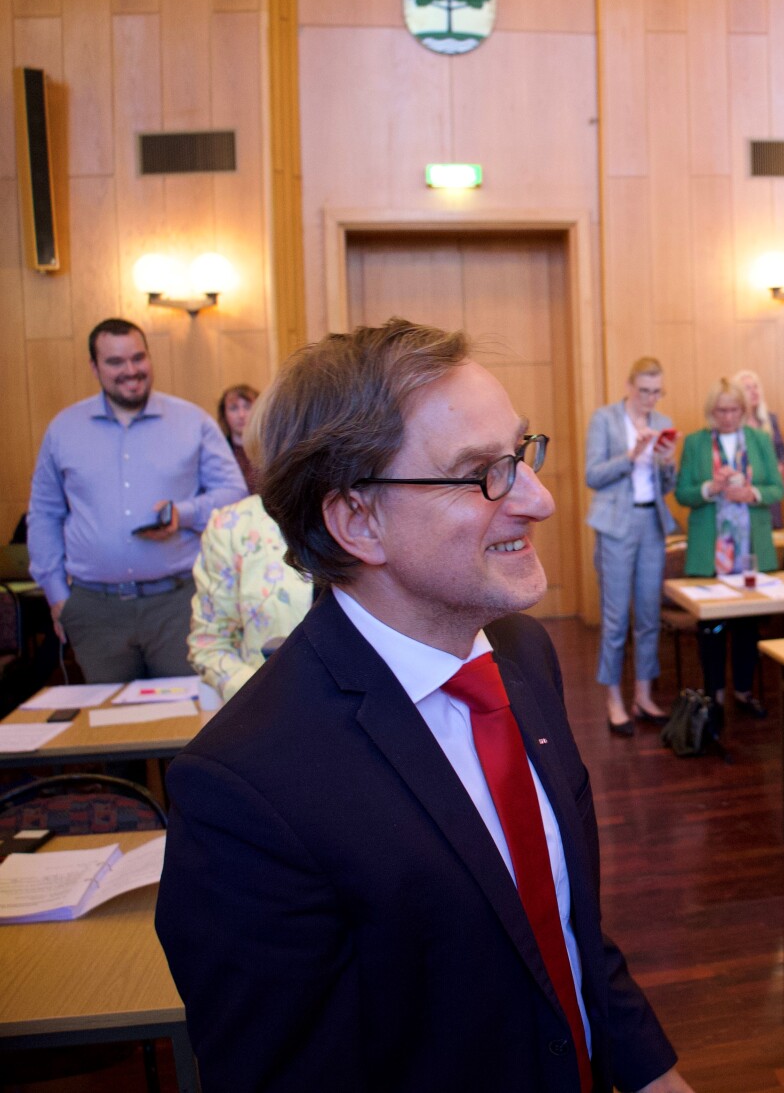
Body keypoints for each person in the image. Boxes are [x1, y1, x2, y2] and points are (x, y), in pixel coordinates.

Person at [156, 319, 692, 1093]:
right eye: (484, 474)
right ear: (356, 520)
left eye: (522, 453)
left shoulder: (525, 656)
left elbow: (571, 940)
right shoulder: (244, 790)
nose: (538, 499)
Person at [27, 319, 247, 682]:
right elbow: (44, 514)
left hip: (179, 604)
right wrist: (57, 596)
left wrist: (184, 513)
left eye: (138, 358)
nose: (130, 371)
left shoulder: (192, 421)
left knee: (188, 725)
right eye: (115, 362)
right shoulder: (64, 429)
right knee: (109, 730)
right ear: (94, 367)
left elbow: (234, 495)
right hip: (94, 611)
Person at [187, 400, 315, 701]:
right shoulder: (232, 526)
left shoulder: (360, 517)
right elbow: (210, 643)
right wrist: (263, 695)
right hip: (263, 709)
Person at [674, 379, 784, 716]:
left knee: (747, 626)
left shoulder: (759, 439)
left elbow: (777, 489)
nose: (728, 417)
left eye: (734, 410)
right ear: (712, 412)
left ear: (743, 410)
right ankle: (714, 695)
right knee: (712, 628)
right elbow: (683, 494)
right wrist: (710, 487)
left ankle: (743, 690)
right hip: (712, 549)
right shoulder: (695, 443)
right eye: (721, 410)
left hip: (751, 546)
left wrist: (752, 494)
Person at [585, 357, 677, 736]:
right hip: (615, 525)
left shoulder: (662, 423)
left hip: (651, 523)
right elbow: (593, 475)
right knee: (616, 618)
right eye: (644, 391)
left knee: (649, 616)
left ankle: (643, 694)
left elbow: (667, 486)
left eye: (656, 392)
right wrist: (632, 455)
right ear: (629, 385)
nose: (650, 399)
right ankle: (614, 700)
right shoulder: (605, 419)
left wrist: (668, 463)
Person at [732, 369, 784, 527]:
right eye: (747, 388)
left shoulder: (770, 420)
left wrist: (779, 467)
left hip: (768, 489)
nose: (753, 391)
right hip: (742, 489)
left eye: (755, 387)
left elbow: (781, 452)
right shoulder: (731, 424)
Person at [217, 383, 260, 492]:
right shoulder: (217, 451)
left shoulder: (269, 449)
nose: (241, 415)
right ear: (224, 414)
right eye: (234, 408)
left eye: (247, 407)